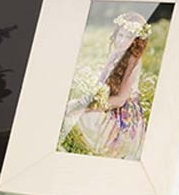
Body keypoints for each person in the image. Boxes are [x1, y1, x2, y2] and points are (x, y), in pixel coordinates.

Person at [61, 12, 150, 160]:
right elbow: (100, 84)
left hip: (123, 111)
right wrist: (87, 100)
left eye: (128, 37)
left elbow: (120, 100)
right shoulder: (115, 54)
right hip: (107, 101)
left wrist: (90, 107)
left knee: (86, 118)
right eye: (120, 35)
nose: (122, 40)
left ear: (136, 41)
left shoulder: (134, 61)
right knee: (70, 106)